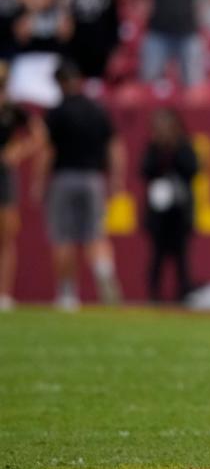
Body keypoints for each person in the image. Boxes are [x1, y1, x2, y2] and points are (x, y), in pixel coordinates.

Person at [33, 61, 123, 311]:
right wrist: (116, 179)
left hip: (64, 177)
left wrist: (38, 182)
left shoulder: (57, 112)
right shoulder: (97, 109)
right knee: (96, 234)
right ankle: (104, 272)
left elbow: (48, 150)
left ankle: (67, 294)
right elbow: (114, 147)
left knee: (64, 237)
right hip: (93, 178)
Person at [141, 108, 199, 303]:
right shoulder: (153, 147)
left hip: (179, 210)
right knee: (157, 255)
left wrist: (173, 151)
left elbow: (192, 169)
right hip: (159, 212)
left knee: (181, 255)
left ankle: (183, 293)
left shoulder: (183, 146)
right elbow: (145, 170)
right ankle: (154, 294)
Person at [0, 62, 42, 311]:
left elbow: (39, 135)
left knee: (7, 234)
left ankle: (4, 292)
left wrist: (17, 151)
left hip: (4, 175)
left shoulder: (13, 111)